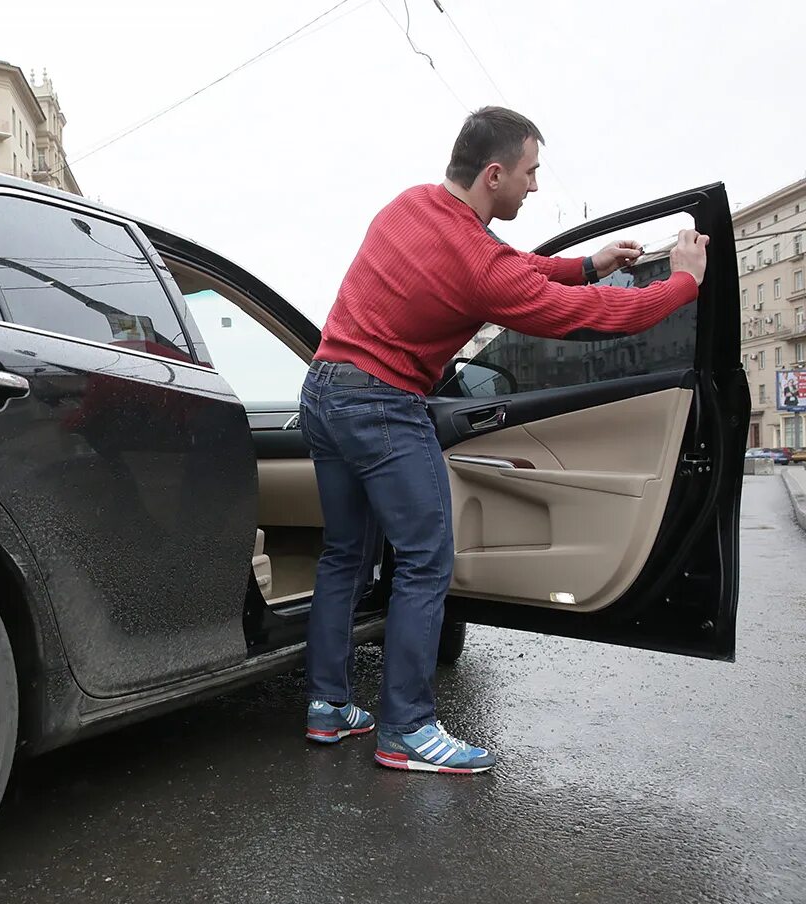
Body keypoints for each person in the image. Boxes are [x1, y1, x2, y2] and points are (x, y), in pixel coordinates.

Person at [299, 106, 709, 774]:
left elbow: (508, 264)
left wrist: (585, 263)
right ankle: (405, 730)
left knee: (344, 554)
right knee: (427, 560)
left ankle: (327, 706)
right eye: (530, 171)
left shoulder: (413, 205)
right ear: (495, 174)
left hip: (323, 389)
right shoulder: (474, 263)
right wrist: (683, 283)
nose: (536, 186)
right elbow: (592, 319)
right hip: (381, 402)